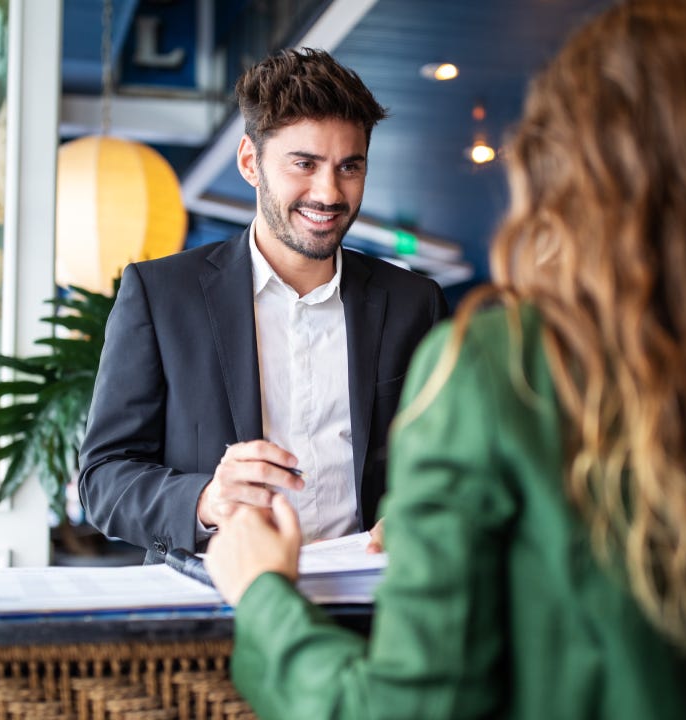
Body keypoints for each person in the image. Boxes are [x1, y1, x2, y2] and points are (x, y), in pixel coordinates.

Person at [203, 2, 686, 718]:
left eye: (350, 166)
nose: (330, 190)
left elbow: (406, 707)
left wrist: (265, 597)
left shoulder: (497, 371)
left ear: (569, 165)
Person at [77, 48, 448, 563]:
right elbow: (104, 478)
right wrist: (207, 500)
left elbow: (451, 463)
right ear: (251, 162)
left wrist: (422, 510)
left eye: (349, 167)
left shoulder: (415, 304)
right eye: (305, 164)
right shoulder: (162, 296)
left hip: (375, 611)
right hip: (214, 613)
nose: (329, 192)